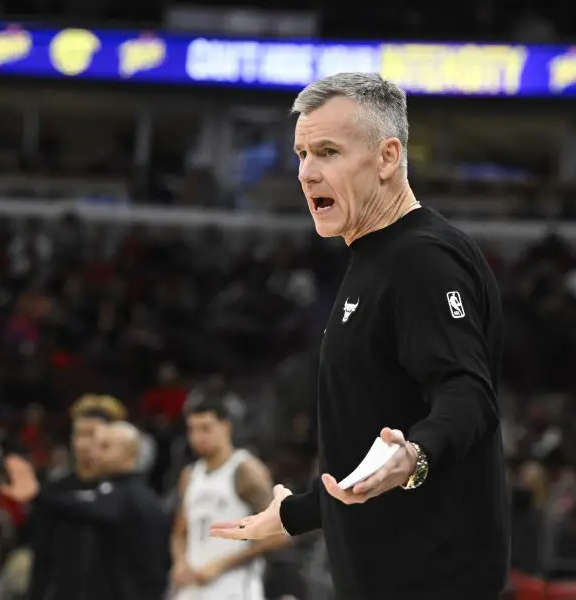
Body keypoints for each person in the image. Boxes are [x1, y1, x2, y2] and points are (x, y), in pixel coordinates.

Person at [210, 72, 509, 600]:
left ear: (388, 157)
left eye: (327, 152)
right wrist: (297, 513)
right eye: (302, 154)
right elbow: (371, 454)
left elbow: (466, 390)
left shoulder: (421, 260)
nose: (307, 173)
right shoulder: (375, 258)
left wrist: (417, 455)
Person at [1, 420, 170, 600]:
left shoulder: (132, 495)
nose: (95, 453)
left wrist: (38, 495)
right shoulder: (113, 490)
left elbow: (90, 509)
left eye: (105, 447)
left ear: (129, 452)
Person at [171, 401, 287, 600]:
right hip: (193, 585)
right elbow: (180, 531)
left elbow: (279, 533)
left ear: (225, 427)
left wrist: (222, 564)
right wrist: (180, 562)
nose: (198, 437)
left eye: (205, 428)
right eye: (192, 430)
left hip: (234, 585)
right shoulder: (189, 475)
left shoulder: (245, 470)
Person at [26, 394, 126, 600]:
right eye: (79, 434)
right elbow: (42, 557)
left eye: (92, 435)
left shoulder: (124, 490)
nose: (84, 444)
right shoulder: (55, 491)